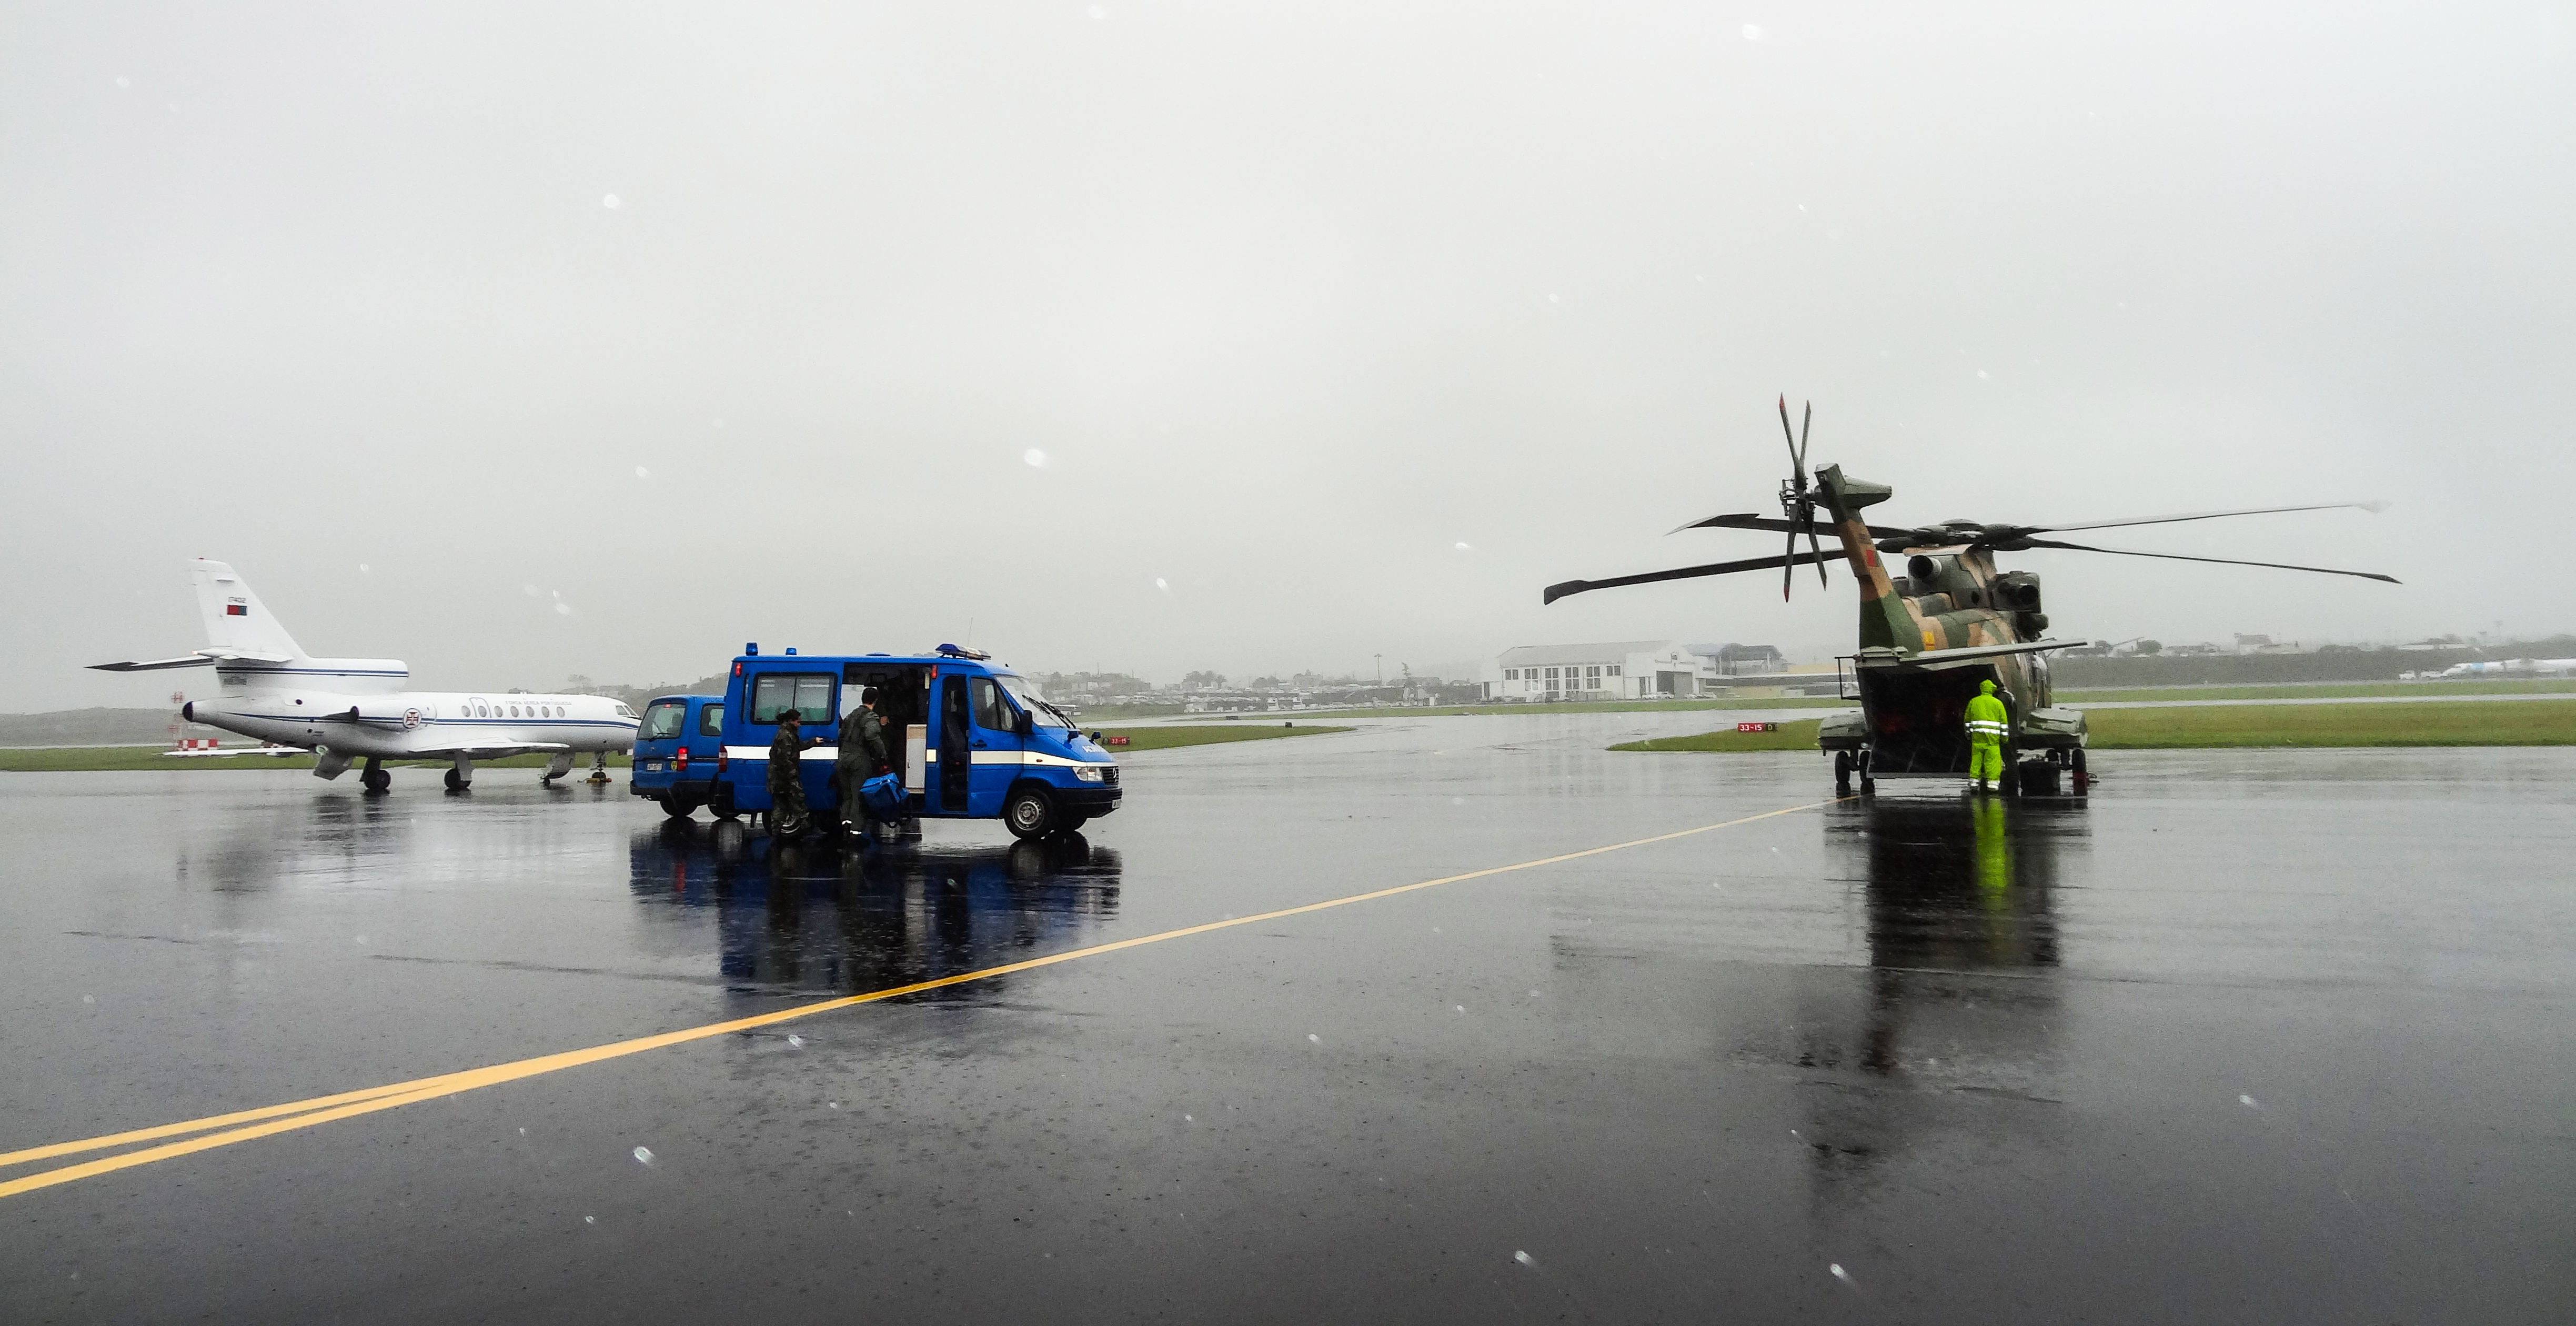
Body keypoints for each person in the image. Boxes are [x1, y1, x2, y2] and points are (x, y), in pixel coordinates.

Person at [834, 687, 890, 837]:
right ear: (876, 701)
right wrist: (883, 754)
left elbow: (841, 735)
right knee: (857, 796)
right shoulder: (870, 717)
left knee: (847, 795)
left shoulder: (852, 715)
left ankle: (846, 827)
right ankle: (856, 834)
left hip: (843, 758)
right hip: (858, 760)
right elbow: (872, 736)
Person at [768, 709, 813, 837]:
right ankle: (805, 827)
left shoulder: (787, 733)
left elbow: (797, 746)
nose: (800, 725)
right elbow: (784, 759)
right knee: (797, 799)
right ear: (792, 721)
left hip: (779, 777)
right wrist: (793, 775)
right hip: (784, 777)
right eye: (799, 722)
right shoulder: (785, 735)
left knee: (780, 805)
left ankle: (776, 834)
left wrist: (813, 742)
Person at [1964, 678, 2011, 793]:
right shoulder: (1998, 703)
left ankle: (1974, 783)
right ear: (1992, 690)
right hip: (1993, 740)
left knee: (1976, 761)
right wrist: (2005, 738)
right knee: (1993, 762)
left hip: (1977, 739)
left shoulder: (1973, 702)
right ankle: (1993, 785)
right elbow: (2004, 723)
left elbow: (1967, 721)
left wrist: (1969, 735)